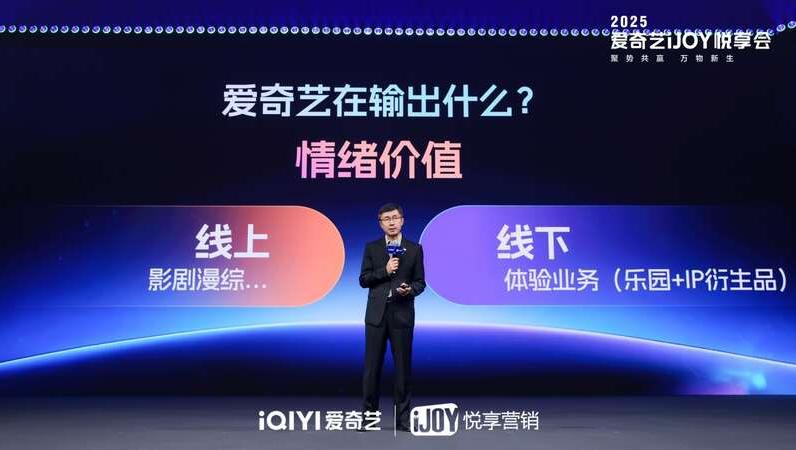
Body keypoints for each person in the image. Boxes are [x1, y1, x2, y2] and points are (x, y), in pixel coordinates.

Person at [357, 203, 425, 432]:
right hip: (376, 316)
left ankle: (403, 421)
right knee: (371, 369)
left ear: (402, 220)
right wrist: (384, 271)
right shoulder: (372, 248)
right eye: (387, 219)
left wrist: (410, 290)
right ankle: (369, 419)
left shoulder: (414, 249)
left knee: (403, 369)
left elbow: (420, 282)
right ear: (380, 224)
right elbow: (364, 280)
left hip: (402, 315)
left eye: (395, 217)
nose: (392, 222)